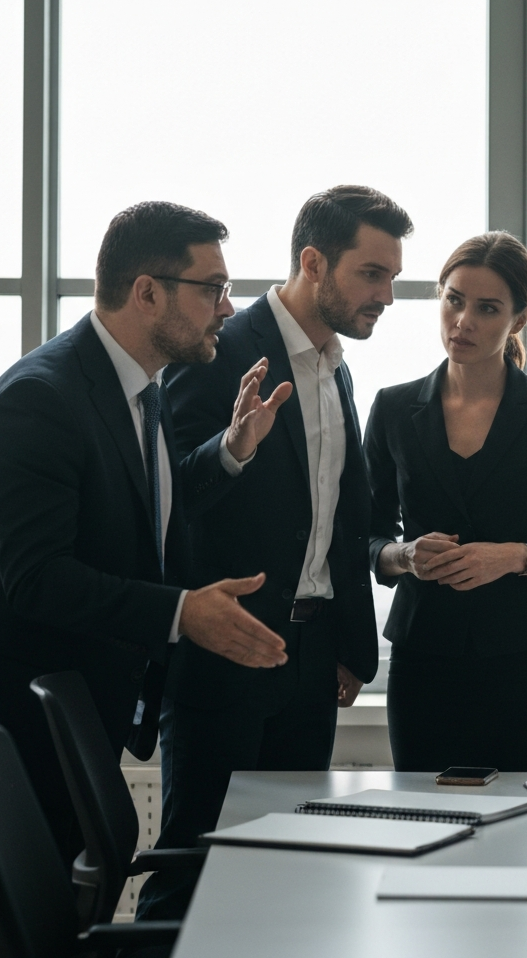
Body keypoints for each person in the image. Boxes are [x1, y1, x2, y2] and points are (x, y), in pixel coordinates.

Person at [0, 201, 291, 957]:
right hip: (14, 715)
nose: (229, 309)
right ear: (147, 292)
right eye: (213, 288)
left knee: (50, 928)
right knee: (20, 931)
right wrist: (181, 612)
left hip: (75, 701)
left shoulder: (138, 385)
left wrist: (228, 450)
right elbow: (35, 579)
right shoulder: (38, 400)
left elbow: (140, 506)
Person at [135, 185, 412, 923]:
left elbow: (337, 522)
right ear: (314, 262)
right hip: (226, 650)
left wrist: (348, 642)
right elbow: (175, 499)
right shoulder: (220, 347)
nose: (387, 295)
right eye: (372, 274)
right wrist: (229, 449)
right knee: (195, 870)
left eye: (392, 277)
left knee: (287, 867)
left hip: (312, 655)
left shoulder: (335, 364)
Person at [364, 231, 527, 773]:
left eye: (487, 308)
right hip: (422, 657)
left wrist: (515, 556)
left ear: (517, 319)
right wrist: (404, 556)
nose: (463, 321)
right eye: (453, 299)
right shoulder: (393, 408)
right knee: (425, 822)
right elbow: (364, 535)